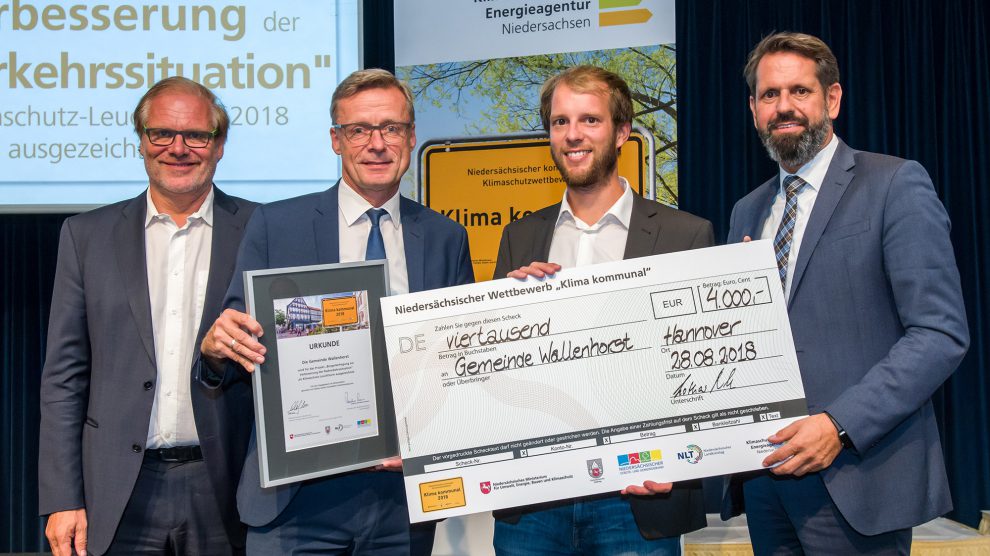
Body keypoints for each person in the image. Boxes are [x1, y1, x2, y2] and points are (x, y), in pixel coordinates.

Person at [199, 68, 474, 555]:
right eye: (358, 130)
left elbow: (462, 361)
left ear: (411, 138)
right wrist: (218, 348)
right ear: (335, 140)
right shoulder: (276, 224)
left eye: (391, 128)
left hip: (400, 501)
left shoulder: (445, 236)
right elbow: (233, 345)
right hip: (295, 499)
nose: (376, 143)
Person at [721, 32, 969, 554]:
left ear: (832, 99)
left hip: (858, 475)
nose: (783, 107)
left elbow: (939, 334)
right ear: (753, 108)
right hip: (766, 478)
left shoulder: (894, 184)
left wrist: (839, 425)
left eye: (799, 91)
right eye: (769, 95)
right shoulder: (747, 211)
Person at [492, 65, 712, 556]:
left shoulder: (686, 236)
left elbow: (702, 373)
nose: (573, 135)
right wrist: (503, 320)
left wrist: (679, 460)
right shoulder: (519, 238)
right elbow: (497, 380)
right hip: (535, 500)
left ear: (622, 133)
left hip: (635, 498)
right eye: (559, 122)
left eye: (590, 120)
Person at [38, 77, 257, 556]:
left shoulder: (262, 232)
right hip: (116, 491)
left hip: (228, 490)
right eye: (162, 134)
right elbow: (64, 378)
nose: (178, 149)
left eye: (196, 136)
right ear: (141, 142)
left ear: (219, 145)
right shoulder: (85, 237)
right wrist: (62, 497)